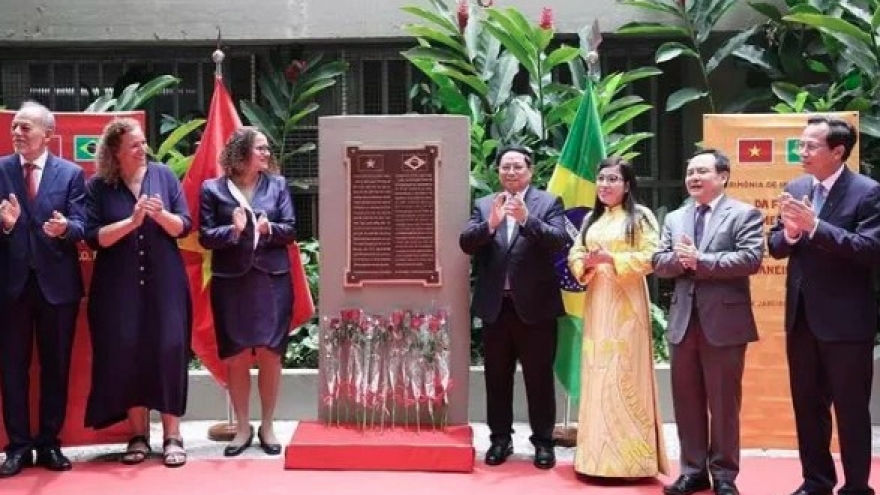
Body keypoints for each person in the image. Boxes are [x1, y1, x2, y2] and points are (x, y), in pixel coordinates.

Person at [768, 116, 880, 495]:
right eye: (801, 145)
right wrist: (790, 232)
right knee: (808, 408)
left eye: (811, 146)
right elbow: (776, 246)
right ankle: (816, 481)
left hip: (847, 323)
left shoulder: (867, 192)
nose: (802, 152)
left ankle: (856, 487)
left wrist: (817, 228)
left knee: (850, 411)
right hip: (801, 319)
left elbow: (870, 250)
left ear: (838, 151)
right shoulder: (797, 187)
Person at [653, 149, 763, 495]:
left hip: (725, 323)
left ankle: (725, 475)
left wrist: (701, 261)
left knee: (724, 403)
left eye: (701, 171)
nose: (693, 178)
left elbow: (750, 259)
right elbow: (658, 261)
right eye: (690, 173)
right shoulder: (675, 217)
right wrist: (681, 262)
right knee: (687, 402)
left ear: (723, 176)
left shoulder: (744, 213)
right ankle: (692, 470)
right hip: (684, 321)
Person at [83, 117, 192, 468]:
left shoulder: (164, 176)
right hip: (118, 286)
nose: (142, 149)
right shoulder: (99, 186)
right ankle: (138, 435)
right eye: (133, 145)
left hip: (166, 281)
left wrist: (160, 216)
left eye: (143, 143)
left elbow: (184, 226)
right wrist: (131, 222)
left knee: (169, 347)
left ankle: (173, 434)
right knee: (128, 350)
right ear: (115, 151)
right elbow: (93, 236)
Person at [459, 144, 567, 470]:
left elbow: (558, 240)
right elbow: (466, 243)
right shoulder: (483, 204)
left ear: (530, 171)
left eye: (517, 167)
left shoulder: (548, 202)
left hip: (536, 309)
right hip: (497, 310)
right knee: (497, 378)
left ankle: (543, 443)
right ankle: (500, 440)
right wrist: (489, 224)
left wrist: (527, 220)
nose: (510, 172)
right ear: (498, 172)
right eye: (505, 167)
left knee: (539, 379)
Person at [567, 157, 668, 479]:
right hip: (598, 304)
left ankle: (631, 462)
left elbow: (653, 256)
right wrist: (586, 264)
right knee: (598, 375)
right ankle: (594, 459)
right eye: (601, 179)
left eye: (612, 179)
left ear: (627, 185)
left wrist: (612, 258)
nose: (605, 185)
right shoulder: (590, 221)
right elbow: (575, 252)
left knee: (624, 375)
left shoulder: (640, 217)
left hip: (628, 309)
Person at [198, 127, 297, 457]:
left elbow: (292, 229)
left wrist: (270, 229)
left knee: (271, 353)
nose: (267, 154)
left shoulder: (278, 186)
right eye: (260, 149)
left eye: (267, 149)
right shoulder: (213, 189)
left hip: (272, 280)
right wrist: (233, 230)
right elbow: (205, 236)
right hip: (231, 282)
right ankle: (242, 428)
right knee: (236, 355)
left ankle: (267, 426)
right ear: (240, 153)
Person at [0, 101, 85, 477]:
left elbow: (84, 226)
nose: (17, 133)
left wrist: (65, 228)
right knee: (12, 369)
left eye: (25, 128)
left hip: (57, 288)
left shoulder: (70, 174)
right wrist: (6, 226)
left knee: (56, 367)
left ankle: (49, 442)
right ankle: (17, 447)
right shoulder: (0, 170)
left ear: (48, 135)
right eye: (15, 127)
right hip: (11, 288)